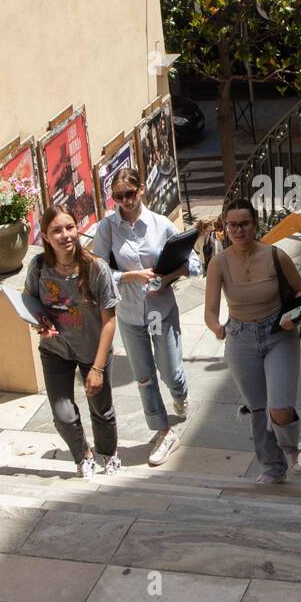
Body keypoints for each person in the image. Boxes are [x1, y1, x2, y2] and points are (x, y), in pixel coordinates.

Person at [92, 168, 200, 466]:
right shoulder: (108, 228)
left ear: (141, 190)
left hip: (160, 310)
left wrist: (167, 279)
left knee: (170, 371)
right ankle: (163, 432)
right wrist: (130, 276)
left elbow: (193, 263)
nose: (124, 201)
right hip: (129, 313)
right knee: (144, 377)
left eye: (129, 193)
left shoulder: (161, 224)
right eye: (117, 196)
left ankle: (179, 392)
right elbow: (97, 272)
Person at [205, 199, 301, 484]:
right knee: (258, 408)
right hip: (240, 337)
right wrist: (216, 328)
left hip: (278, 333)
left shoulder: (276, 255)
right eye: (232, 225)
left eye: (244, 224)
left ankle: (291, 448)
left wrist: (293, 317)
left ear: (255, 225)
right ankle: (272, 467)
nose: (238, 230)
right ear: (226, 229)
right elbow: (210, 310)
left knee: (280, 405)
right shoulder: (219, 262)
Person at [24, 204, 122, 477]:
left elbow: (110, 321)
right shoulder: (39, 267)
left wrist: (98, 368)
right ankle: (83, 455)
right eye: (56, 230)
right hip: (55, 351)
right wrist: (39, 323)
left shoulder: (96, 269)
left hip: (93, 351)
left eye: (69, 227)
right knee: (63, 415)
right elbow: (29, 299)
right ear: (44, 236)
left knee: (101, 411)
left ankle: (108, 453)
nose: (65, 235)